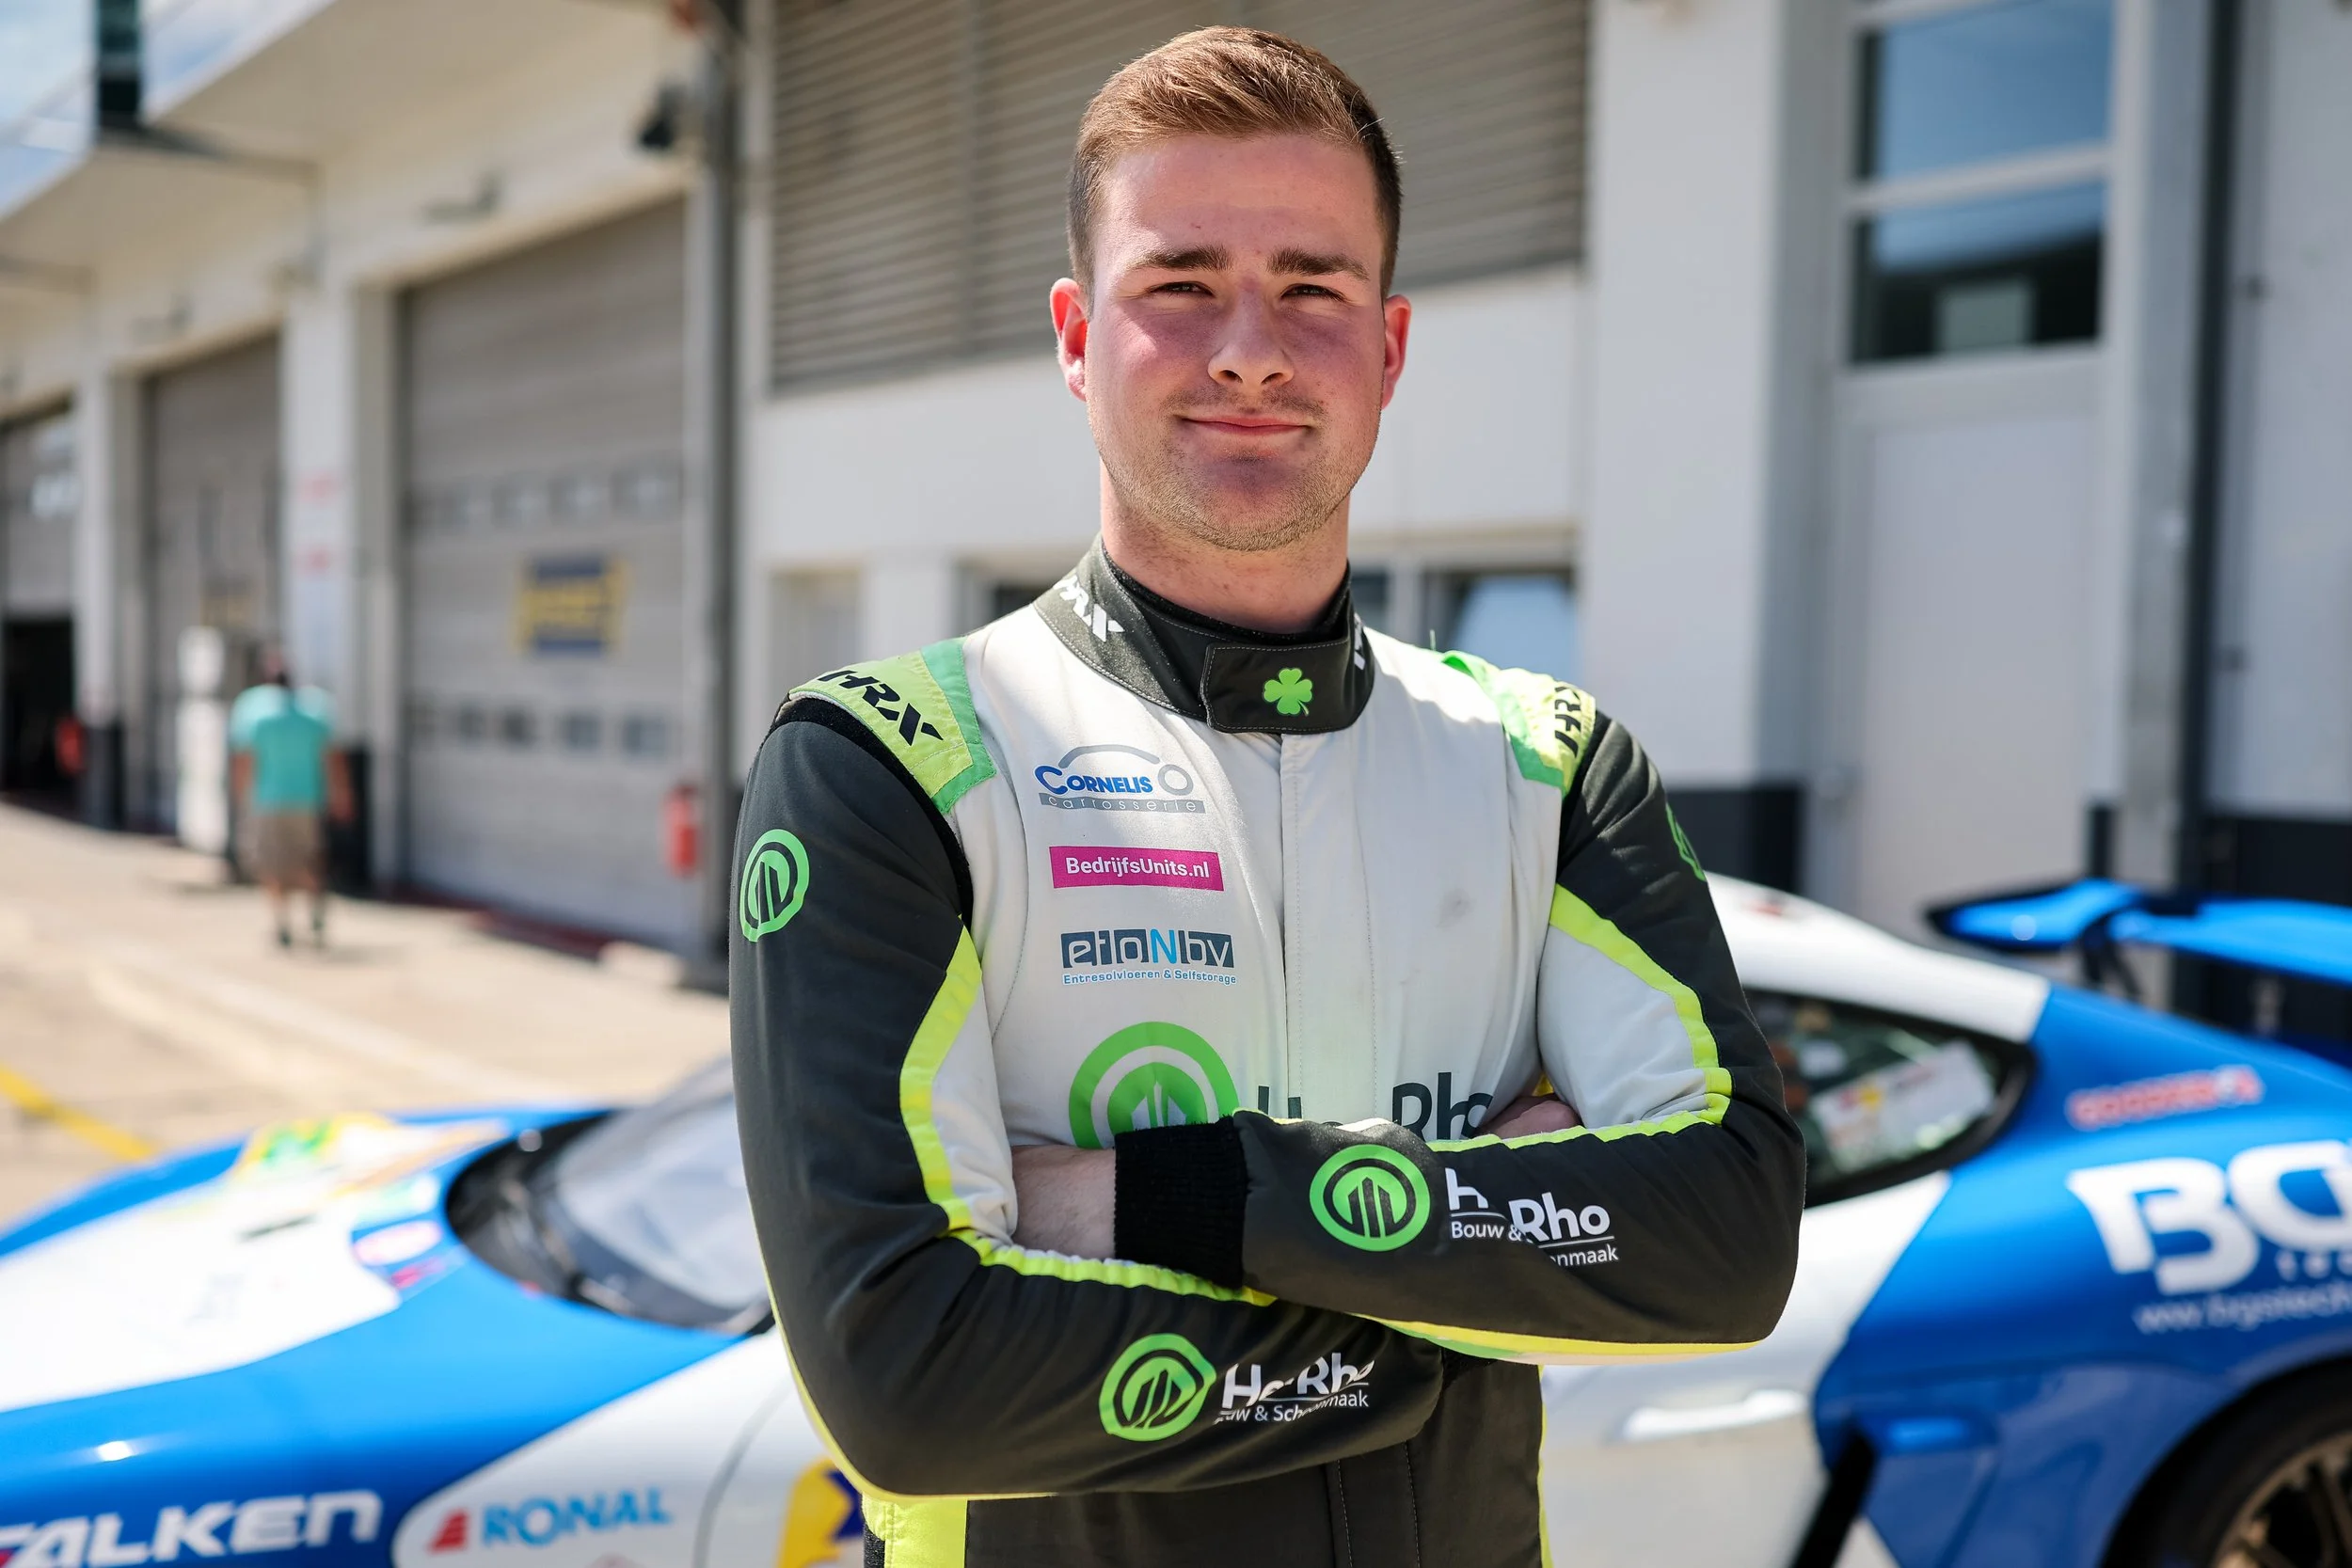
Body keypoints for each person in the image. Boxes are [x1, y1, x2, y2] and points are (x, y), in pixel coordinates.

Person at [731, 28, 1804, 1568]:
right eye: (1178, 285)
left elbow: (1723, 1243)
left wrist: (1177, 1192)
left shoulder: (1551, 766)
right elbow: (909, 1375)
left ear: (1390, 346)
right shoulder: (886, 763)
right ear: (1077, 340)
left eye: (1314, 286)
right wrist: (1445, 1301)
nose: (1249, 344)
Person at [228, 652, 351, 949]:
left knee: (272, 864)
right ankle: (314, 905)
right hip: (306, 799)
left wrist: (241, 796)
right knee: (308, 858)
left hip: (269, 800)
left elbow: (244, 760)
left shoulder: (254, 711)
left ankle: (282, 922)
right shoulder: (315, 711)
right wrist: (342, 795)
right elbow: (332, 759)